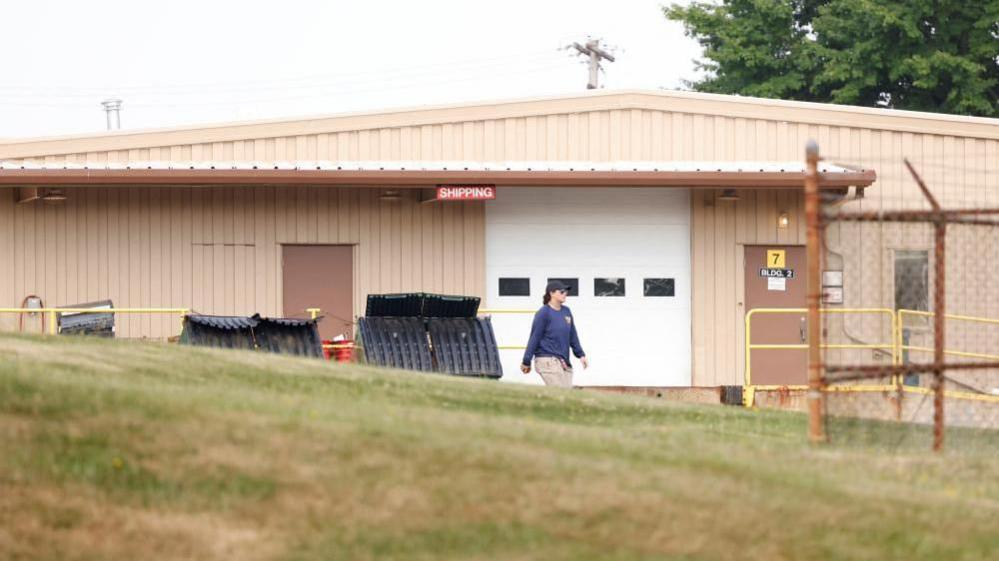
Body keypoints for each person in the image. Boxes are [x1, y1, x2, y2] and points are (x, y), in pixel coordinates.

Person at [520, 280, 589, 387]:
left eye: (566, 292)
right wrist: (526, 360)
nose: (565, 294)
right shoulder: (544, 313)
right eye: (561, 292)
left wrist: (581, 355)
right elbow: (534, 337)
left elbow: (572, 335)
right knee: (560, 393)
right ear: (551, 293)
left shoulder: (567, 311)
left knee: (566, 397)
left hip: (563, 361)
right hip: (547, 360)